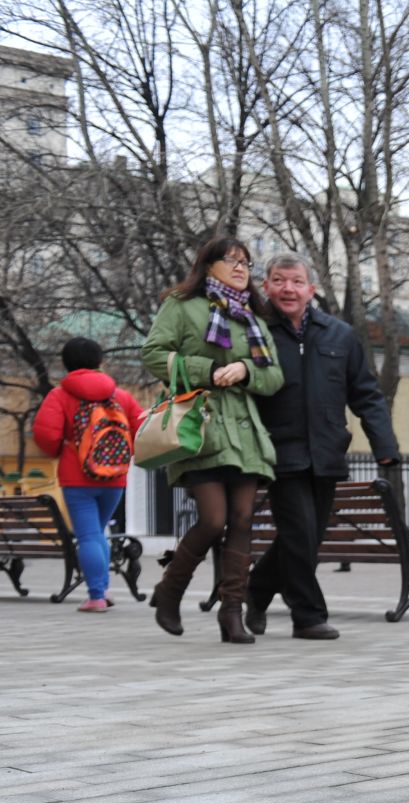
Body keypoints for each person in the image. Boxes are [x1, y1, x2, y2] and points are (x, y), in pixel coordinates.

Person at [245, 252, 399, 641]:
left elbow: (366, 394)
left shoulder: (340, 334)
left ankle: (256, 590)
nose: (287, 289)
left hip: (327, 452)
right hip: (279, 450)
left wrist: (385, 443)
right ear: (266, 286)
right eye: (278, 281)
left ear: (311, 289)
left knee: (307, 537)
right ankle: (308, 615)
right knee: (299, 534)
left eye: (296, 281)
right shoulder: (254, 331)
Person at [141, 235, 283, 643]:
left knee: (242, 520)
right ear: (208, 266)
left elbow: (274, 376)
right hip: (200, 425)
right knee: (214, 519)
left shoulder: (254, 318)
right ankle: (170, 591)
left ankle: (231, 613)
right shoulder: (181, 306)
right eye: (230, 260)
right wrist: (207, 371)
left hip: (245, 432)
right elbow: (153, 355)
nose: (241, 268)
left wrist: (244, 369)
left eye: (246, 263)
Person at [32, 337, 144, 613]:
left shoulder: (59, 395)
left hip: (77, 477)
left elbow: (46, 435)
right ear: (100, 362)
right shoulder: (121, 395)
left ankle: (96, 596)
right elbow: (141, 427)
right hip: (115, 477)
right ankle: (102, 590)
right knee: (98, 533)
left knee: (89, 536)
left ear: (66, 364)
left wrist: (62, 450)